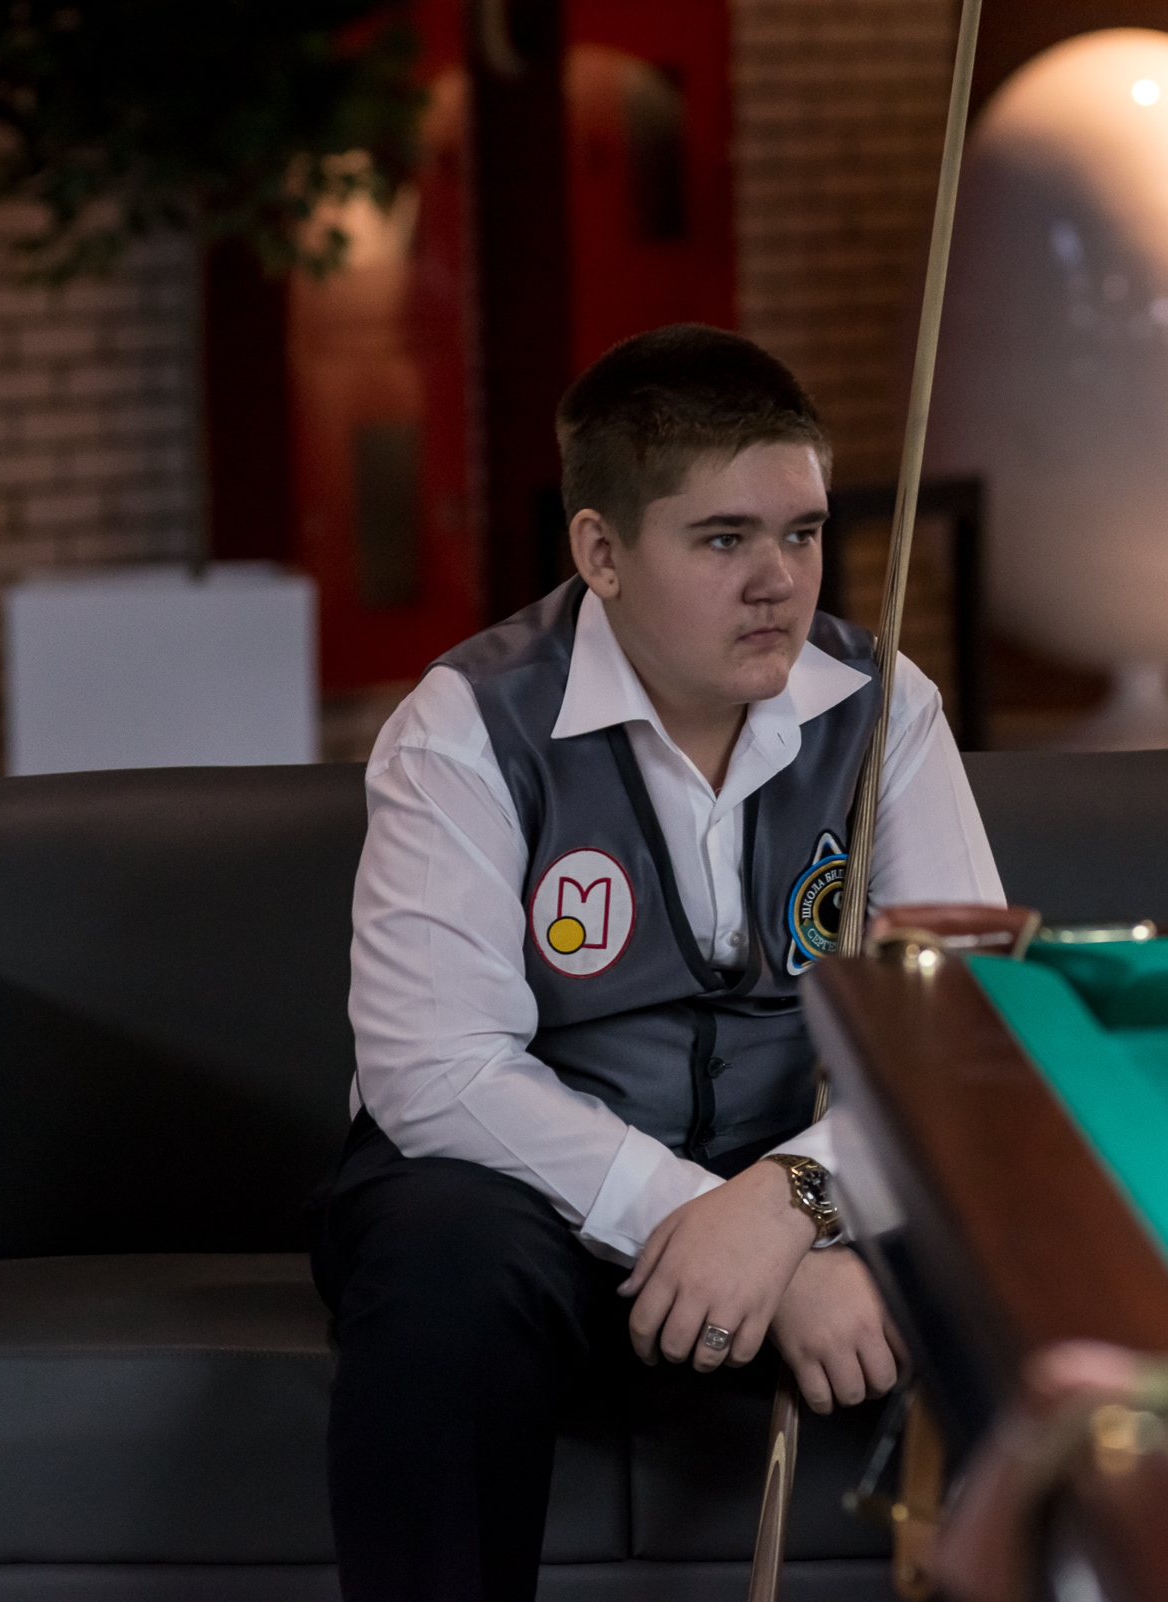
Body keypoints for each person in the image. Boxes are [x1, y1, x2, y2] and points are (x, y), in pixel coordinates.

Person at [311, 323, 1006, 1600]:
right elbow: (436, 1072)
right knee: (440, 1260)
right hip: (534, 1205)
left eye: (801, 532)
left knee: (1035, 1237)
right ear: (602, 552)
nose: (780, 582)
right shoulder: (464, 726)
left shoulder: (886, 707)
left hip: (804, 1176)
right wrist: (711, 1229)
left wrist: (790, 1206)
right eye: (724, 539)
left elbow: (957, 1039)